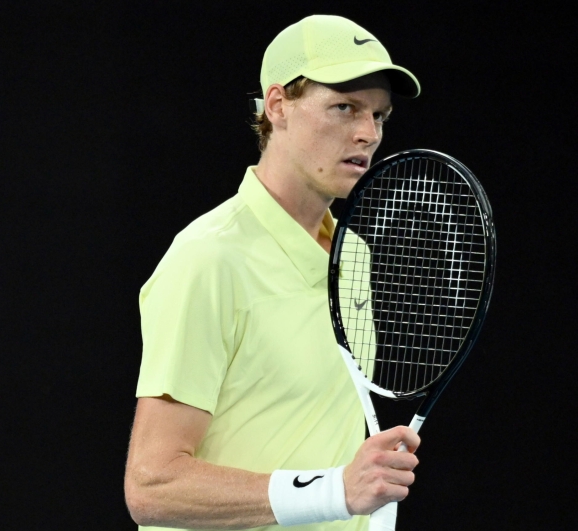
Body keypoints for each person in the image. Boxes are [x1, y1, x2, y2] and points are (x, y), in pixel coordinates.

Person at [124, 15, 422, 530]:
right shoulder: (209, 259)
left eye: (379, 115)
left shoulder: (351, 253)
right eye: (344, 107)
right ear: (279, 105)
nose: (368, 134)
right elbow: (152, 485)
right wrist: (334, 491)